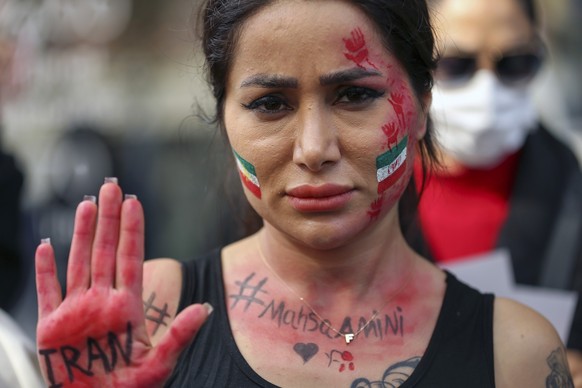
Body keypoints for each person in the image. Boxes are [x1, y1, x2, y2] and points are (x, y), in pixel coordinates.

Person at [34, 0, 574, 387]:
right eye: (271, 103)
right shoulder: (150, 318)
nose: (314, 148)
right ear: (222, 119)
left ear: (422, 106)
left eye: (355, 95)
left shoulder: (518, 352)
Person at [408, 0, 582, 383]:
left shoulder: (569, 182)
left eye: (515, 63)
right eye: (455, 65)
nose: (487, 89)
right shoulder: (369, 186)